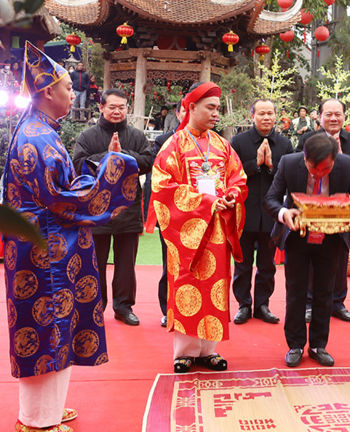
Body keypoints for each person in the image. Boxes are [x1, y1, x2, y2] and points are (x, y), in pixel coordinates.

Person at [2, 42, 139, 432]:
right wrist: (116, 166)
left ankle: (43, 412)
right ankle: (38, 422)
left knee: (50, 328)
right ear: (48, 92)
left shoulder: (37, 129)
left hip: (42, 247)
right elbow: (64, 198)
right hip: (46, 255)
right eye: (66, 87)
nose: (71, 94)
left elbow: (59, 187)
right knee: (47, 329)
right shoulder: (39, 137)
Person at [145, 81, 248, 374]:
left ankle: (208, 349)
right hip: (187, 232)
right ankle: (185, 352)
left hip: (216, 229)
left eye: (218, 108)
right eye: (210, 108)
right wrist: (205, 202)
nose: (216, 114)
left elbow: (238, 179)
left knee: (214, 285)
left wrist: (230, 197)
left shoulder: (222, 145)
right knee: (187, 285)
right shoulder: (173, 146)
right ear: (191, 107)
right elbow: (162, 186)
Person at [264, 132, 350, 368]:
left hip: (331, 237)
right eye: (314, 169)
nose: (320, 174)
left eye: (326, 169)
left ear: (335, 159)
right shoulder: (288, 163)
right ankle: (295, 345)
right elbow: (270, 199)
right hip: (298, 237)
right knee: (296, 293)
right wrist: (284, 213)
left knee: (325, 293)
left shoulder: (346, 163)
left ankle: (318, 345)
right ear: (304, 158)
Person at [71, 89, 154, 327]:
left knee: (126, 264)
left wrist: (123, 155)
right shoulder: (87, 136)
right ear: (101, 108)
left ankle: (124, 307)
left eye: (122, 107)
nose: (117, 111)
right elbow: (78, 164)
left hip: (127, 210)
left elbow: (148, 162)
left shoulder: (137, 136)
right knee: (95, 263)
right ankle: (96, 307)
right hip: (96, 210)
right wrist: (108, 156)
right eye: (112, 107)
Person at [296, 98, 350, 322]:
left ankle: (337, 303)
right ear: (319, 117)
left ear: (343, 117)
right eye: (328, 114)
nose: (333, 118)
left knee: (340, 257)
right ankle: (310, 303)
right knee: (313, 258)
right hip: (314, 208)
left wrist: (341, 157)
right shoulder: (308, 138)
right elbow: (299, 165)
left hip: (343, 210)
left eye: (337, 114)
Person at [230, 98, 293, 325]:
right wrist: (255, 165)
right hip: (244, 213)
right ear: (252, 116)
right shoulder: (239, 141)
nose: (266, 117)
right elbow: (230, 174)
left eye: (270, 113)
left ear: (276, 116)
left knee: (268, 264)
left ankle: (263, 305)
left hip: (272, 214)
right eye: (261, 114)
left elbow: (291, 177)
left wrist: (271, 165)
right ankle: (243, 305)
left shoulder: (285, 144)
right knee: (243, 264)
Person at [144, 107, 184, 328]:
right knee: (170, 262)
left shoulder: (212, 143)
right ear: (179, 113)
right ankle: (167, 308)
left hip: (202, 213)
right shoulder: (164, 141)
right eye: (185, 110)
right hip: (171, 212)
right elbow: (157, 176)